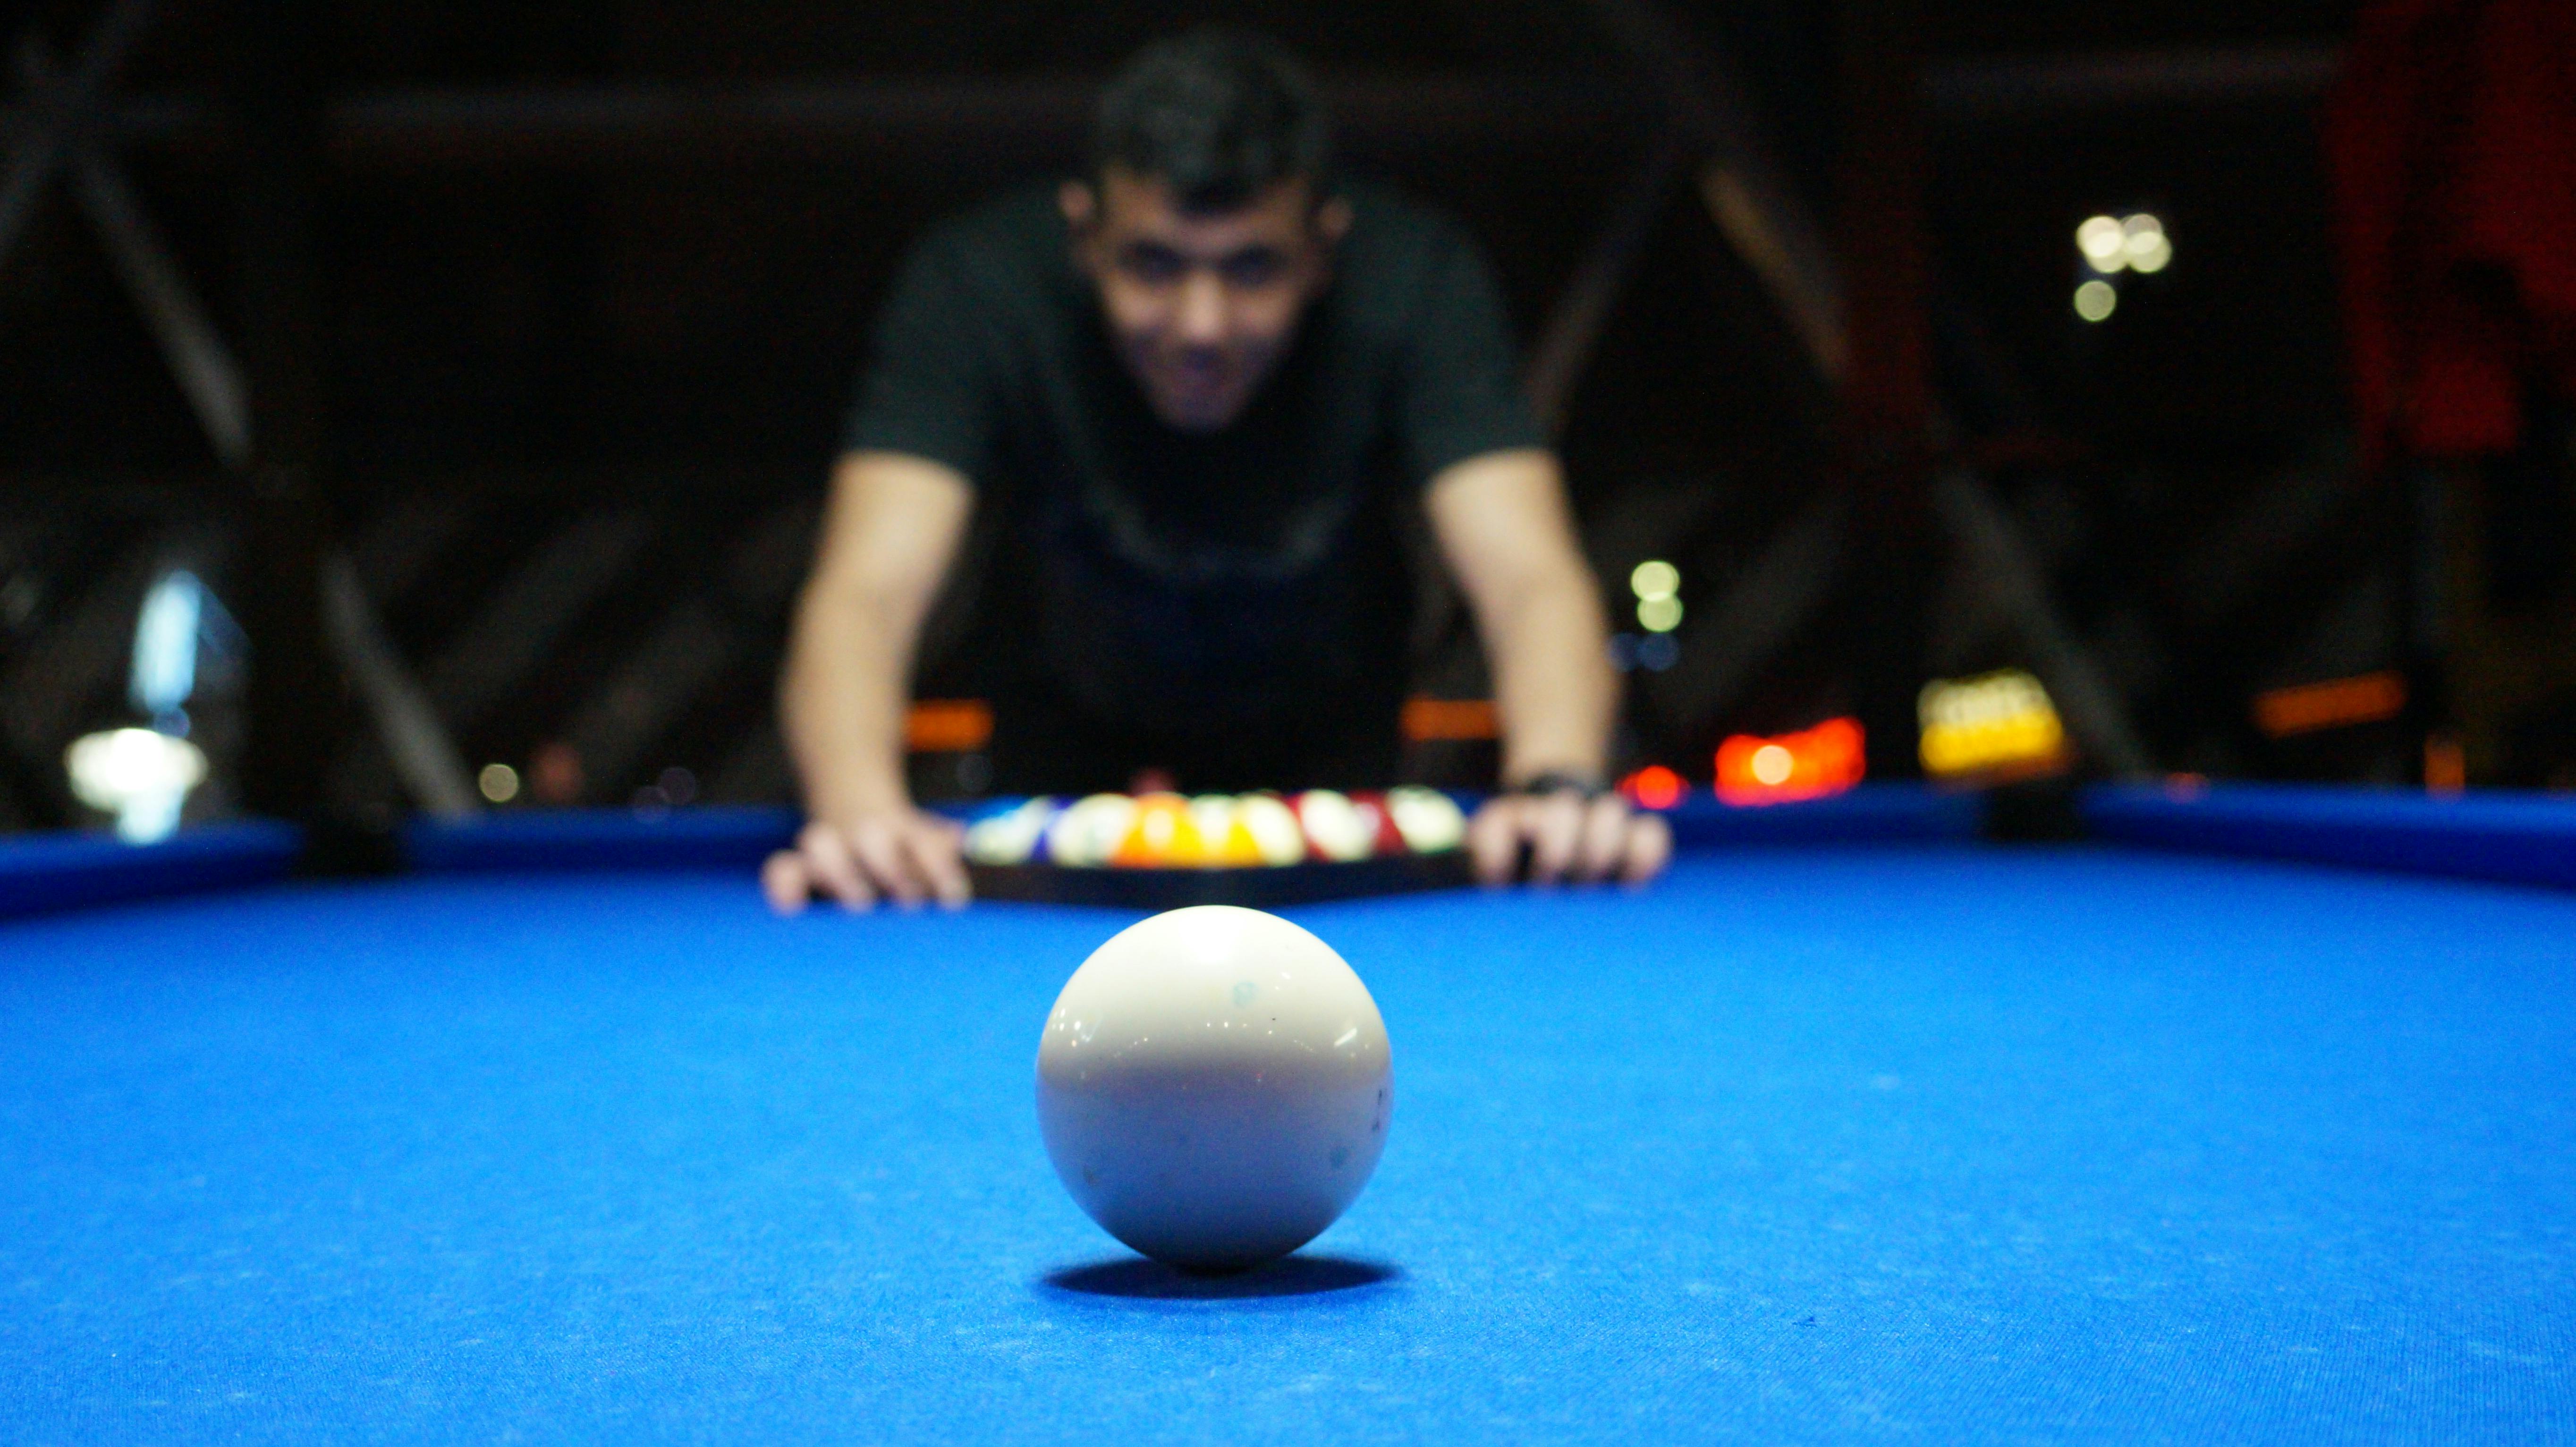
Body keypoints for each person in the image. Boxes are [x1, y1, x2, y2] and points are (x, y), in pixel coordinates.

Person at [763, 30, 1670, 912]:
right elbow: (867, 590)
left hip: (1331, 758)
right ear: (1084, 236)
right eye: (1153, 264)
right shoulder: (977, 287)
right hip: (1061, 748)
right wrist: (859, 813)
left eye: (1253, 267)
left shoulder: (1416, 282)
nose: (1202, 326)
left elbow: (1527, 577)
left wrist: (1560, 780)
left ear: (1324, 247)